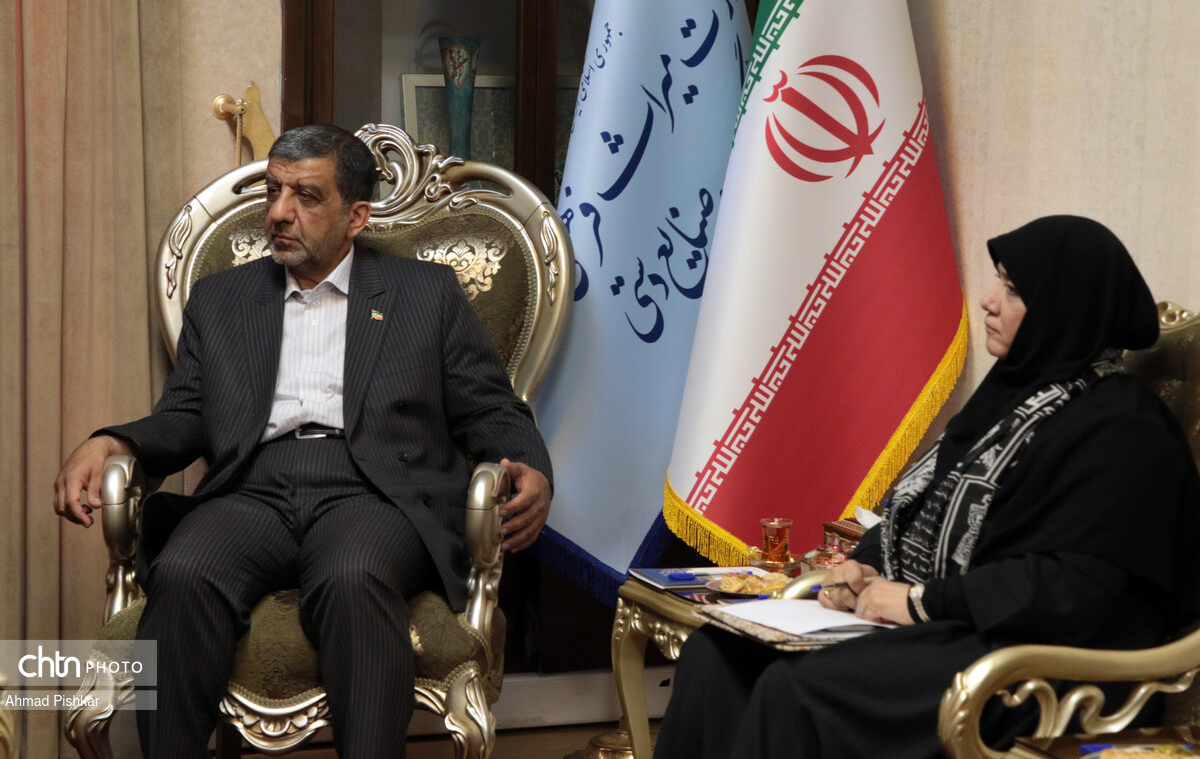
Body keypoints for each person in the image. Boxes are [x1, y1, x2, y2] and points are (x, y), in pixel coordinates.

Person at [52, 124, 553, 758]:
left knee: (353, 576)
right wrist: (110, 442)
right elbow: (184, 416)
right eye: (274, 191)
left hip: (374, 490)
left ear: (356, 216)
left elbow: (490, 406)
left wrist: (530, 466)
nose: (279, 212)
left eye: (307, 196)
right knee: (182, 573)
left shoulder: (425, 295)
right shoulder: (222, 299)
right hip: (252, 487)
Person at [652, 215, 1200, 759]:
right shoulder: (1013, 393)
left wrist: (921, 602)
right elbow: (925, 506)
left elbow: (1071, 589)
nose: (988, 300)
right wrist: (863, 567)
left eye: (1012, 290)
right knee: (715, 655)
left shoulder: (1124, 427)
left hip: (1041, 667)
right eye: (998, 281)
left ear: (1064, 309)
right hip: (961, 630)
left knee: (795, 693)